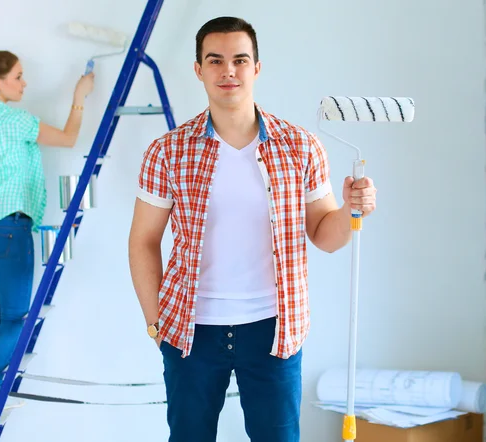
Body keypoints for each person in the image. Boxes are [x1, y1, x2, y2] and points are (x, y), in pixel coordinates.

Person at [128, 16, 377, 442]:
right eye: (215, 60)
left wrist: (354, 211)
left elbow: (326, 236)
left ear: (256, 68)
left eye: (240, 60)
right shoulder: (167, 151)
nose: (228, 70)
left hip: (274, 330)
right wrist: (156, 325)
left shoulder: (299, 146)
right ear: (199, 69)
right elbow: (143, 241)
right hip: (191, 331)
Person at [0, 50, 94, 436]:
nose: (24, 83)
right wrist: (81, 94)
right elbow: (67, 139)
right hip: (9, 228)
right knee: (15, 318)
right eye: (19, 76)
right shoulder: (15, 120)